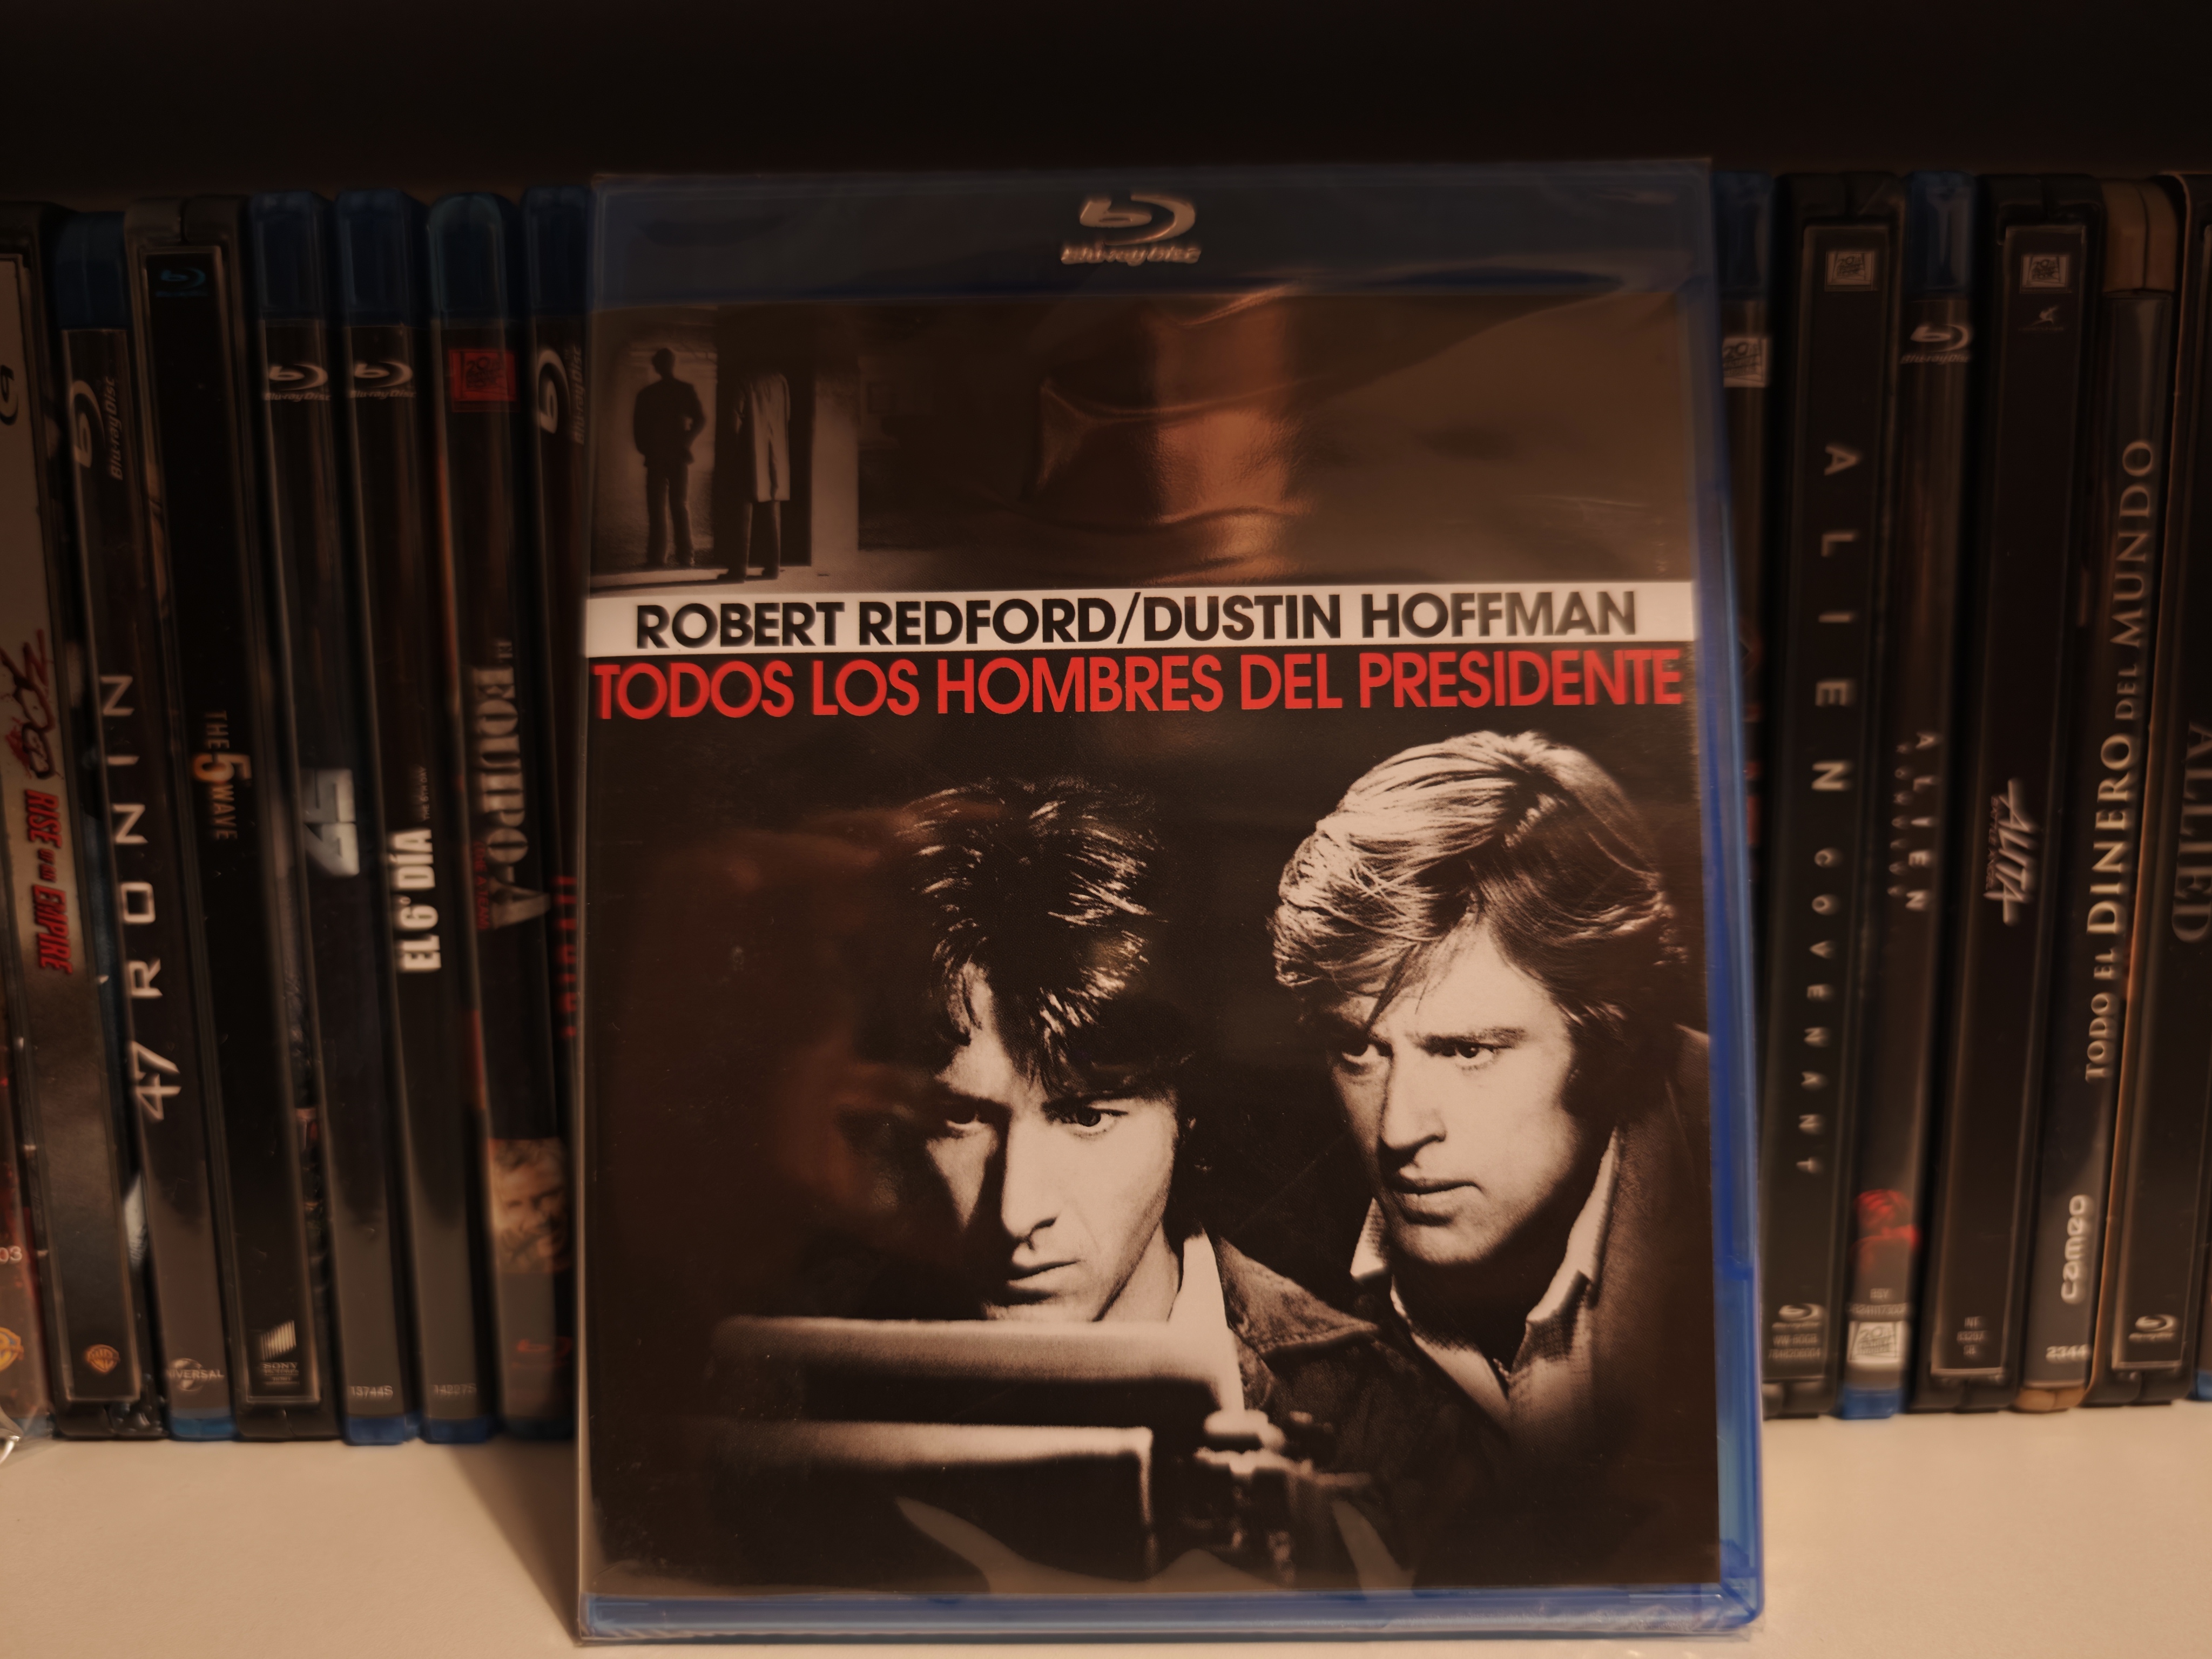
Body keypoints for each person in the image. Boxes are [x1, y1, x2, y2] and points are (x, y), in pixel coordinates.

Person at [1269, 731, 1719, 1587]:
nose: (1398, 1130)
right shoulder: (1270, 1252)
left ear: (1610, 1035)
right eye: (1359, 1051)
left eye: (1467, 1051)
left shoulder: (1740, 1169)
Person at [632, 348, 705, 567]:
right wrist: (686, 441)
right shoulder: (684, 390)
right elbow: (700, 420)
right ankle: (686, 556)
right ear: (673, 364)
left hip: (656, 457)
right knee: (679, 505)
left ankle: (657, 558)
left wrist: (647, 449)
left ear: (656, 366)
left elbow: (638, 429)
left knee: (657, 509)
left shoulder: (647, 394)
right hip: (678, 456)